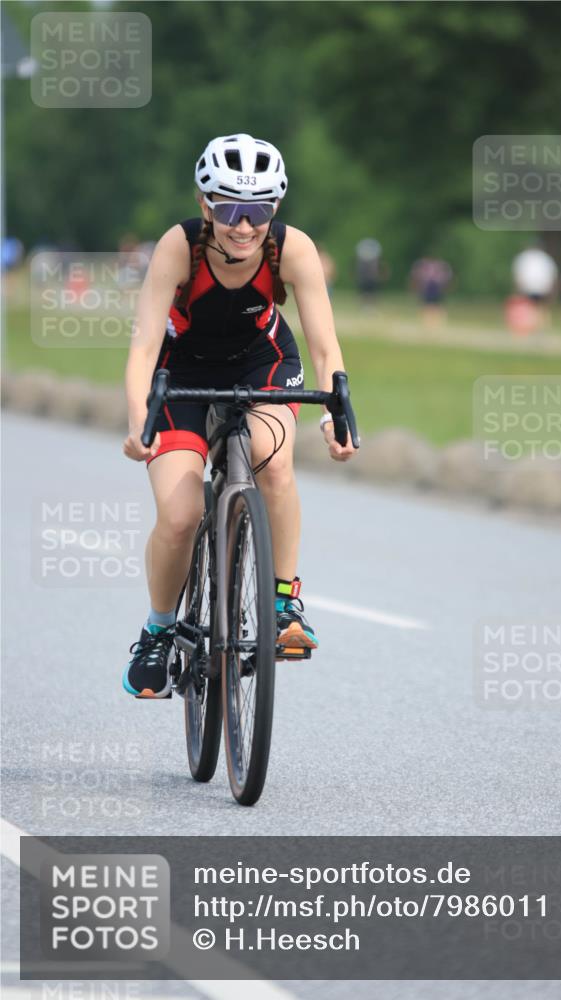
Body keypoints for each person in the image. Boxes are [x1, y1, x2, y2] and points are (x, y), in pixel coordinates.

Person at [122, 133, 356, 698]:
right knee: (180, 515)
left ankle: (284, 604)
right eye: (229, 210)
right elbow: (144, 347)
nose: (244, 226)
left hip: (262, 361)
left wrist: (335, 417)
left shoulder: (291, 248)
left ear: (274, 208)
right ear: (206, 206)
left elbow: (325, 347)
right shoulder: (179, 247)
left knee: (271, 461)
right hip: (181, 370)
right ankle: (158, 631)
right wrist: (137, 422)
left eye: (258, 210)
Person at [508, 244, 558, 335]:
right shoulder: (545, 258)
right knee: (541, 309)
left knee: (532, 309)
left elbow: (518, 273)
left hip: (530, 287)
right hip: (541, 287)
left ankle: (535, 328)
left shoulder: (525, 257)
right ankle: (539, 328)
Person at [409, 256, 453, 326]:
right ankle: (428, 322)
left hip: (435, 288)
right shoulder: (427, 267)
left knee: (436, 306)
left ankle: (437, 321)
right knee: (428, 306)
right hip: (430, 288)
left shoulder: (438, 268)